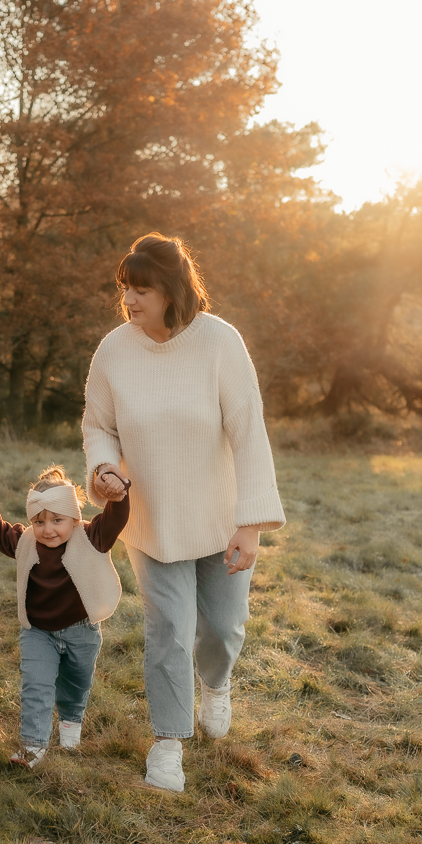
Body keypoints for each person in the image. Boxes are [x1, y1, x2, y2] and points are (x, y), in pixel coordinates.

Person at [82, 232, 285, 792]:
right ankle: (168, 743)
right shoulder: (114, 350)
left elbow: (249, 433)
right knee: (169, 630)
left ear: (172, 291)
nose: (129, 300)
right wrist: (103, 467)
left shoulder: (220, 342)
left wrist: (250, 525)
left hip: (220, 518)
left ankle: (215, 685)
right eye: (125, 288)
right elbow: (98, 424)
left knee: (222, 627)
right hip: (152, 519)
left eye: (142, 290)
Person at [0, 465, 130, 767]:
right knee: (36, 685)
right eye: (39, 521)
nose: (48, 530)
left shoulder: (91, 536)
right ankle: (33, 745)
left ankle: (71, 720)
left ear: (74, 517)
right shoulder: (26, 541)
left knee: (76, 683)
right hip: (37, 631)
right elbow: (0, 532)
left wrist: (118, 494)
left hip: (81, 630)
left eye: (58, 520)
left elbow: (116, 518)